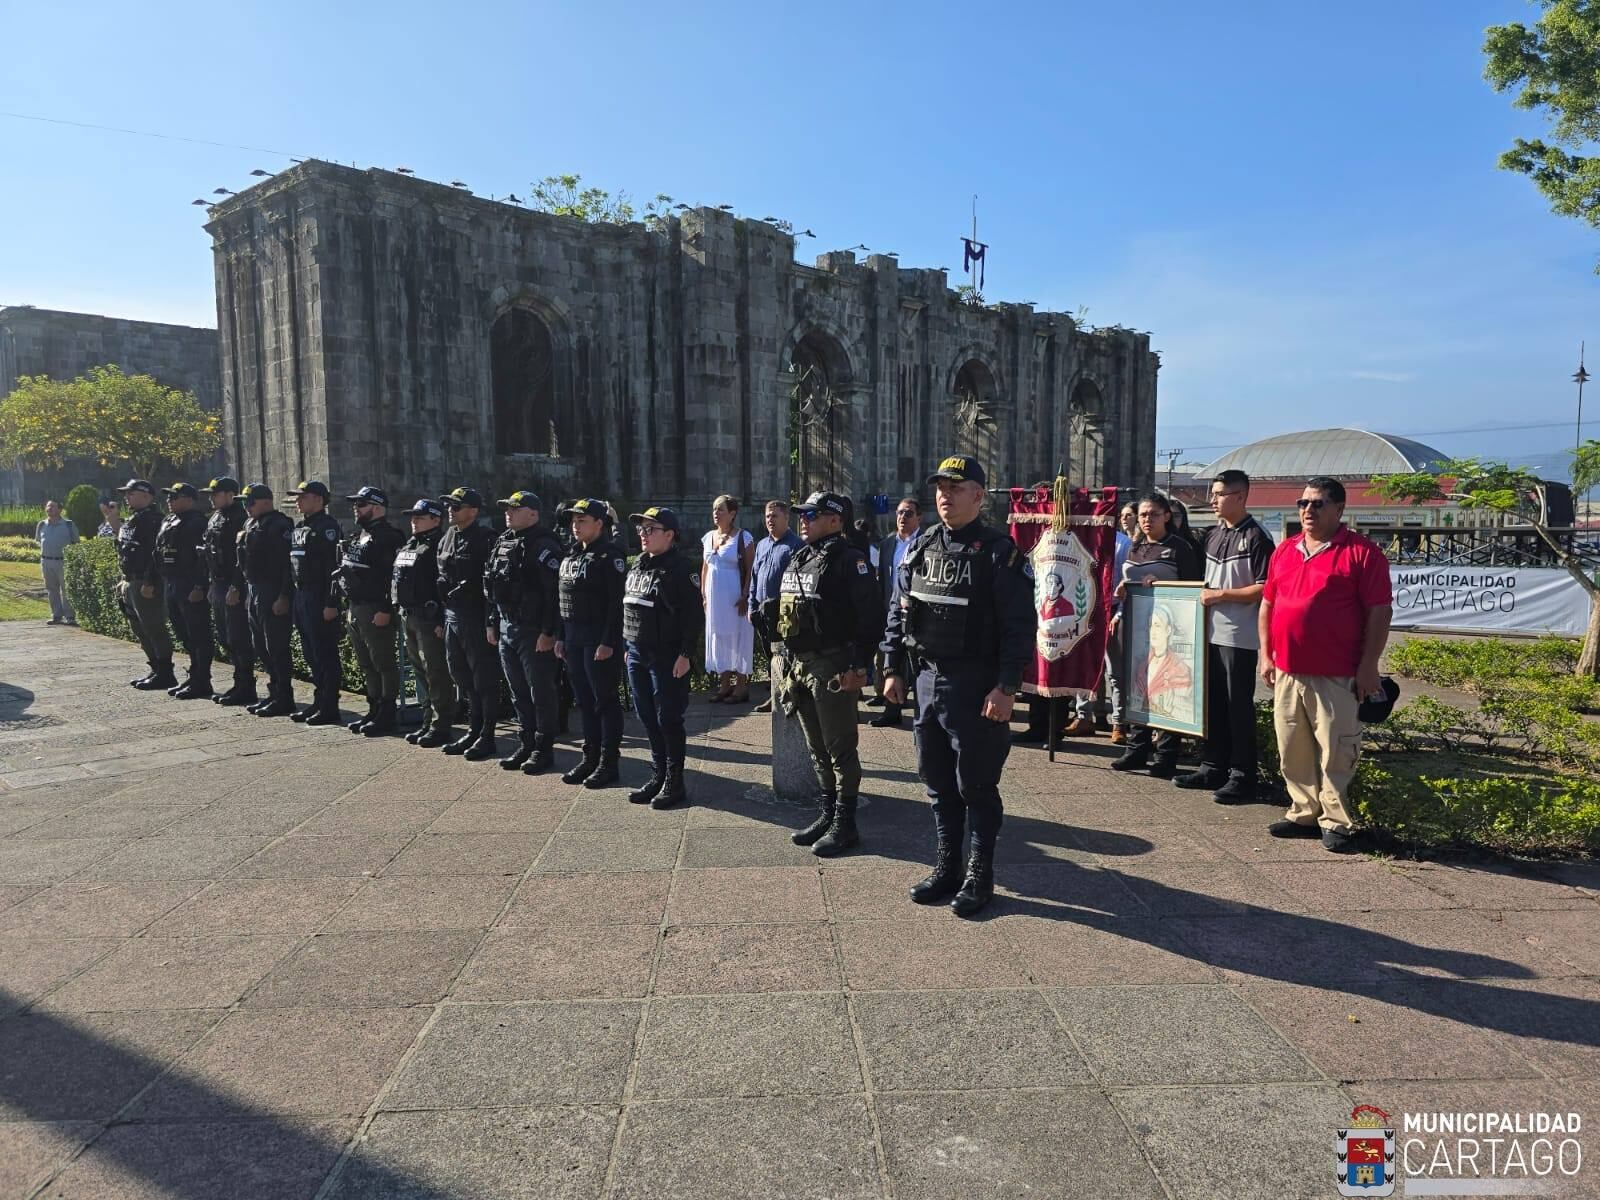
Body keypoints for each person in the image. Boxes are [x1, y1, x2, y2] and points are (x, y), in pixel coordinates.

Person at [881, 455, 1033, 918]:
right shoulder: (923, 545)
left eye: (956, 486)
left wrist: (1006, 687)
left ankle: (979, 874)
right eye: (940, 487)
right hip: (927, 678)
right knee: (937, 782)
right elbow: (898, 607)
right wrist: (892, 668)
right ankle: (947, 865)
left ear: (979, 495)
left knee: (977, 786)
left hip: (976, 685)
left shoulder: (999, 554)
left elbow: (1019, 627)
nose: (944, 495)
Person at [1259, 477, 1392, 853]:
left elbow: (1380, 611)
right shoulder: (1284, 550)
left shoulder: (1362, 554)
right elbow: (1269, 604)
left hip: (1337, 673)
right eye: (1303, 503)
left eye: (1317, 504)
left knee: (1337, 749)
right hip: (1287, 670)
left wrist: (1369, 666)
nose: (1307, 510)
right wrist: (1265, 654)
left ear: (1339, 509)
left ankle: (1336, 821)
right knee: (1292, 747)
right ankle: (1302, 812)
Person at [773, 491, 884, 856]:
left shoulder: (850, 561)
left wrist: (860, 667)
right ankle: (828, 813)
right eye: (803, 514)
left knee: (840, 750)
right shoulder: (801, 556)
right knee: (816, 748)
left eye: (812, 515)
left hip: (833, 666)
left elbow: (871, 619)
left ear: (836, 520)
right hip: (800, 664)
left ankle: (846, 823)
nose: (803, 520)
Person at [1175, 470, 1274, 802]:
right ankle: (1212, 766)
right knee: (1212, 703)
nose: (1212, 500)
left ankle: (1242, 776)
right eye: (1212, 493)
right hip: (1209, 632)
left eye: (1219, 494)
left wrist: (1221, 596)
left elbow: (1264, 588)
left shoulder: (1257, 537)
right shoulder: (1215, 534)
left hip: (1239, 636)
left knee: (1237, 707)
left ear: (1241, 496)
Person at [1110, 492, 1203, 778]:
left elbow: (1193, 588)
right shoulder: (1135, 547)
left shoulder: (1179, 548)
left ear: (1166, 516)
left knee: (1167, 689)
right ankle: (1137, 749)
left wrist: (1160, 585)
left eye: (1153, 514)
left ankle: (1166, 755)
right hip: (1136, 626)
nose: (1147, 519)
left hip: (1169, 630)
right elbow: (1131, 579)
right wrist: (1124, 590)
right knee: (1137, 686)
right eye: (1142, 515)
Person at [623, 506, 703, 808]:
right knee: (646, 717)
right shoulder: (639, 565)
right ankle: (657, 774)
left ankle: (674, 782)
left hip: (667, 655)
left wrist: (685, 654)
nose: (643, 534)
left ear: (669, 535)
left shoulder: (682, 569)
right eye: (641, 529)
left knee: (668, 719)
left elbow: (693, 617)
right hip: (637, 653)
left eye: (650, 529)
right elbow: (630, 607)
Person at [486, 490, 563, 773]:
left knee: (540, 691)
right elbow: (493, 586)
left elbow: (554, 594)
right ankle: (526, 743)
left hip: (533, 630)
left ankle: (543, 749)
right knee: (518, 691)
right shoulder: (503, 541)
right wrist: (492, 622)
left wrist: (549, 632)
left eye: (515, 509)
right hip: (508, 626)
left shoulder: (544, 545)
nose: (508, 512)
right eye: (506, 508)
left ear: (533, 514)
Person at [556, 497, 627, 788]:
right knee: (584, 702)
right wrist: (561, 636)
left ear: (600, 524)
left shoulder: (609, 557)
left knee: (603, 702)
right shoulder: (571, 554)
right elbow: (562, 599)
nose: (575, 526)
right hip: (574, 637)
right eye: (573, 521)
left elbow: (616, 604)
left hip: (599, 640)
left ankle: (608, 763)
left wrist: (608, 641)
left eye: (582, 521)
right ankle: (590, 757)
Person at [436, 486, 500, 760]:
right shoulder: (448, 536)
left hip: (475, 617)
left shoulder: (486, 539)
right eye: (449, 505)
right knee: (461, 676)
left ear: (473, 511)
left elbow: (492, 587)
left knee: (484, 679)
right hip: (453, 616)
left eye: (457, 506)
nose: (451, 510)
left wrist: (490, 622)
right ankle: (473, 731)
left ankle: (487, 735)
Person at [338, 486, 406, 736]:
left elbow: (394, 577)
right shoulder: (360, 534)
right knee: (366, 664)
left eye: (362, 504)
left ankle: (387, 714)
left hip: (376, 608)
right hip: (356, 606)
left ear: (378, 508)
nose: (356, 508)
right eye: (356, 503)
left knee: (383, 664)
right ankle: (374, 708)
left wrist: (387, 608)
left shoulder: (389, 537)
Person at [392, 499, 457, 747]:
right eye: (412, 516)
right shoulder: (411, 544)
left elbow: (444, 584)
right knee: (420, 672)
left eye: (419, 517)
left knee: (436, 672)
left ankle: (441, 726)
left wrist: (441, 619)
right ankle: (428, 721)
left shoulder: (439, 545)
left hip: (429, 619)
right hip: (409, 615)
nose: (414, 520)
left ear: (435, 519)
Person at [285, 481, 345, 725]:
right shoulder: (301, 527)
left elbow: (334, 569)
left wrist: (331, 602)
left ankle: (330, 706)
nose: (298, 501)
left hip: (320, 596)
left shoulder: (327, 528)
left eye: (303, 497)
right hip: (302, 595)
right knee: (310, 652)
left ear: (319, 499)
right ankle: (319, 701)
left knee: (325, 653)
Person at [236, 484, 296, 716]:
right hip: (255, 589)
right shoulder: (250, 524)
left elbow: (286, 567)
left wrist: (283, 596)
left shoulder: (280, 525)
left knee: (276, 646)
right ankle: (274, 693)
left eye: (249, 502)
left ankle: (284, 696)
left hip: (272, 590)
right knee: (260, 645)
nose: (246, 507)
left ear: (264, 501)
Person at [114, 480, 176, 691]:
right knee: (139, 628)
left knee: (153, 627)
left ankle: (166, 672)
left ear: (146, 496)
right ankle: (156, 667)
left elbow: (155, 555)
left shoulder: (153, 520)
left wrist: (150, 581)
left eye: (131, 493)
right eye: (126, 494)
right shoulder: (133, 520)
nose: (127, 497)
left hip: (145, 581)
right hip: (131, 579)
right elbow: (126, 550)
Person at [154, 483, 213, 699]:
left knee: (198, 634)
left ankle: (202, 679)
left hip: (190, 585)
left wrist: (199, 586)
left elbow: (203, 559)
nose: (169, 500)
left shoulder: (197, 523)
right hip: (172, 582)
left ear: (189, 499)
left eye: (174, 496)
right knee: (183, 634)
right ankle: (194, 674)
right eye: (169, 496)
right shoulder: (169, 520)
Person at [201, 478, 255, 706]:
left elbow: (240, 559)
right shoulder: (216, 516)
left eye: (216, 493)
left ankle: (246, 686)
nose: (211, 498)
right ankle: (238, 683)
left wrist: (236, 586)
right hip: (219, 583)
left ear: (230, 495)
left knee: (238, 637)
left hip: (234, 585)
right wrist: (212, 583)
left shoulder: (240, 519)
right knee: (225, 637)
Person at [870, 496, 921, 728]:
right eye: (900, 512)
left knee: (916, 665)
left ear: (919, 517)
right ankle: (892, 711)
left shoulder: (925, 542)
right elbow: (883, 579)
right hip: (891, 611)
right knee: (892, 660)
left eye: (908, 513)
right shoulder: (888, 544)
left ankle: (922, 712)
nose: (902, 517)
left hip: (917, 614)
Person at [748, 500, 802, 715]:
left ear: (786, 518)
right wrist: (752, 606)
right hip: (761, 611)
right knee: (770, 656)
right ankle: (774, 694)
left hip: (783, 612)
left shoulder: (796, 545)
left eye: (775, 516)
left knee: (785, 656)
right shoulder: (762, 544)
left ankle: (788, 696)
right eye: (768, 516)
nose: (770, 520)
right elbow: (754, 577)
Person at [702, 495, 755, 703]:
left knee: (739, 638)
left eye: (721, 509)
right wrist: (704, 596)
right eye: (714, 509)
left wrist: (745, 595)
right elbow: (705, 567)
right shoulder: (708, 538)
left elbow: (751, 569)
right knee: (720, 638)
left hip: (736, 599)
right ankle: (725, 686)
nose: (716, 513)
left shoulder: (744, 537)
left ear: (732, 514)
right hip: (715, 600)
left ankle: (741, 688)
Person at [1104, 504, 1137, 743]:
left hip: (1114, 610)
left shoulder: (1123, 544)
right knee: (1089, 670)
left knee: (1116, 671)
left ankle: (1119, 722)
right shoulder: (1084, 539)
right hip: (1090, 611)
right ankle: (1084, 715)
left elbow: (1127, 586)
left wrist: (1120, 613)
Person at [34, 499, 79, 625]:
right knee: (51, 589)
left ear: (60, 509)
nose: (49, 508)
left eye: (52, 506)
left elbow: (76, 543)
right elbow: (39, 541)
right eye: (48, 506)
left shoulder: (69, 525)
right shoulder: (41, 525)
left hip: (63, 562)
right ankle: (56, 616)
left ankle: (70, 617)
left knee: (66, 590)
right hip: (46, 562)